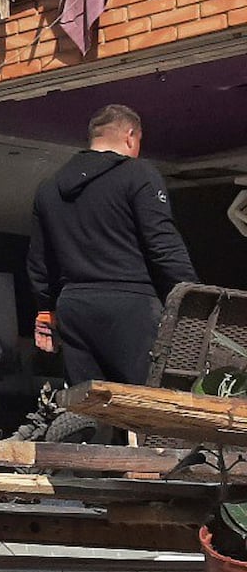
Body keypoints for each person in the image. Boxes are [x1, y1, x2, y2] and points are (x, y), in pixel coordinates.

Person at [27, 104, 198, 386]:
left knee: (89, 406)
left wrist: (45, 308)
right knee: (149, 405)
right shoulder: (138, 174)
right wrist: (193, 297)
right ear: (130, 136)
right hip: (131, 306)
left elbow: (39, 260)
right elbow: (162, 244)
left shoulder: (49, 188)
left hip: (74, 307)